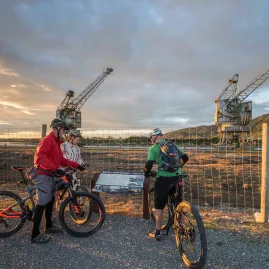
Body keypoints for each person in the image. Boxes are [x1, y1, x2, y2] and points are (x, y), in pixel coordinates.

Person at [31, 118, 85, 243]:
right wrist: (56, 169)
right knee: (43, 202)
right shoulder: (47, 140)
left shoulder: (56, 143)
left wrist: (76, 165)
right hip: (43, 174)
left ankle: (48, 226)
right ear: (56, 128)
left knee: (51, 199)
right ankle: (34, 235)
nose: (64, 132)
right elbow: (40, 159)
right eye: (63, 129)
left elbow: (62, 160)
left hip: (50, 174)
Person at [144, 128, 189, 241]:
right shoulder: (173, 145)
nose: (151, 141)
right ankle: (182, 229)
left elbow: (149, 164)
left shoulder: (153, 148)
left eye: (151, 138)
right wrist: (178, 167)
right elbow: (185, 157)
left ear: (154, 137)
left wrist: (146, 172)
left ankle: (158, 232)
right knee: (179, 203)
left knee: (159, 207)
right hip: (177, 177)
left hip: (163, 179)